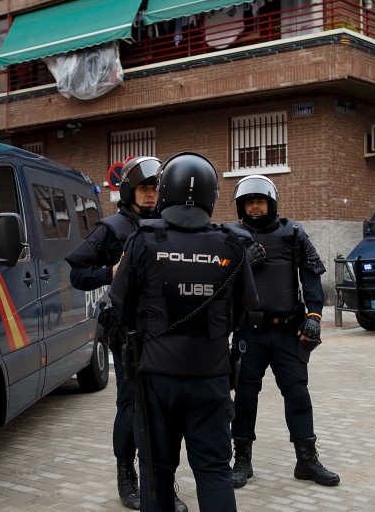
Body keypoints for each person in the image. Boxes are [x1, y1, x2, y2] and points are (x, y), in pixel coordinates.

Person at [110, 152, 259, 512]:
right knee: (213, 471)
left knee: (157, 472)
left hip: (155, 380)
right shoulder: (231, 244)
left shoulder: (144, 241)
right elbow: (245, 309)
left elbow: (120, 304)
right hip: (210, 377)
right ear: (211, 196)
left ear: (165, 193)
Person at [66, 156, 189, 511]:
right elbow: (76, 273)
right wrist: (111, 270)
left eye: (156, 189)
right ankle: (127, 476)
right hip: (129, 333)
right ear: (130, 190)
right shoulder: (113, 227)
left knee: (167, 406)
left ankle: (163, 480)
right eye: (145, 189)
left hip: (168, 330)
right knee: (130, 404)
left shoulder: (174, 224)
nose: (151, 196)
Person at [227, 175, 340, 488]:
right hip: (250, 333)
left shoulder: (293, 233)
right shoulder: (231, 236)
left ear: (271, 202)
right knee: (246, 396)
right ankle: (242, 461)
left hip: (290, 331)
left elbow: (312, 275)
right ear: (241, 206)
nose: (255, 206)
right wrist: (240, 264)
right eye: (249, 202)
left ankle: (306, 460)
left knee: (298, 393)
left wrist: (315, 317)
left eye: (260, 200)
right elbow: (218, 281)